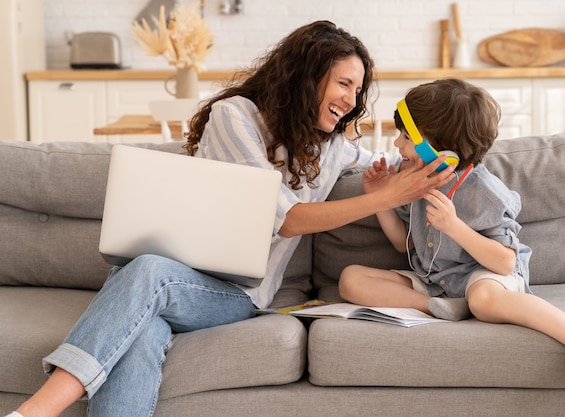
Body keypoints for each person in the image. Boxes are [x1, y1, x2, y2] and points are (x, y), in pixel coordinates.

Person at [5, 21, 456, 417]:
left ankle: (32, 413)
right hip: (170, 278)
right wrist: (389, 195)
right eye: (343, 83)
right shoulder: (236, 117)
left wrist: (433, 159)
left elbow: (390, 160)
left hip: (234, 295)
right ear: (307, 74)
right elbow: (286, 219)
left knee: (147, 274)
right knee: (142, 330)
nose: (351, 99)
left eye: (357, 90)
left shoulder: (334, 148)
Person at [338, 78, 565, 401]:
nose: (397, 145)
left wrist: (453, 226)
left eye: (406, 137)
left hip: (488, 277)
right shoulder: (413, 182)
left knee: (483, 299)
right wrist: (381, 200)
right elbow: (406, 244)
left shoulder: (484, 191)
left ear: (439, 151)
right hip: (439, 283)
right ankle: (439, 308)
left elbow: (505, 261)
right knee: (350, 279)